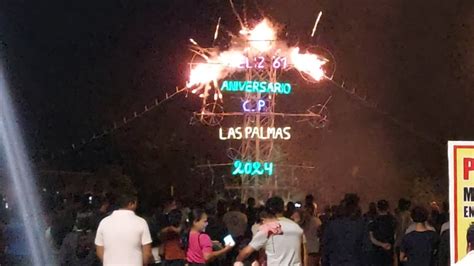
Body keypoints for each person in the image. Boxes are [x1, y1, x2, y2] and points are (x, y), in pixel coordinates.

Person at [235, 196, 305, 266]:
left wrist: (238, 259)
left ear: (267, 210)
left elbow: (246, 252)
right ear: (284, 208)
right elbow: (304, 252)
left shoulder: (268, 228)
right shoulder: (296, 227)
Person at [94, 192, 152, 266]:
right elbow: (147, 253)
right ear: (131, 204)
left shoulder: (104, 222)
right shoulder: (141, 222)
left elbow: (99, 250)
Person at [322, 194, 365, 266]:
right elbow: (365, 248)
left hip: (336, 261)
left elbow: (326, 246)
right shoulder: (361, 225)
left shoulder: (333, 225)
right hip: (355, 262)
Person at [369, 200, 396, 266]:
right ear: (388, 208)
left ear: (377, 208)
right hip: (389, 250)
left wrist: (381, 244)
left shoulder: (373, 222)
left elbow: (371, 238)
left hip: (377, 251)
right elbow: (396, 235)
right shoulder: (393, 220)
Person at [394, 198, 411, 265]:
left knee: (399, 260)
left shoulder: (396, 214)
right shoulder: (407, 214)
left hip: (398, 240)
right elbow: (405, 227)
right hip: (405, 240)